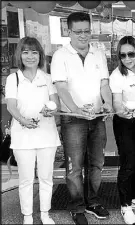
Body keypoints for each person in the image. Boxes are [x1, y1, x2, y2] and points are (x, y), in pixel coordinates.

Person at [50, 12, 112, 225]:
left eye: (87, 31)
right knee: (74, 166)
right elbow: (61, 88)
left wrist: (108, 103)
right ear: (69, 32)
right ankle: (77, 206)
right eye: (78, 32)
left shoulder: (98, 53)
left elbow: (104, 83)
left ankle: (93, 202)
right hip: (73, 119)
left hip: (96, 118)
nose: (83, 36)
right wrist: (76, 109)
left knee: (96, 163)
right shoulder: (60, 56)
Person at [5, 37, 61, 224]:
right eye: (26, 52)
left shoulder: (46, 78)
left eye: (34, 52)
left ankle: (45, 213)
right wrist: (22, 120)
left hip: (46, 135)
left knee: (46, 177)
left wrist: (50, 110)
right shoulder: (13, 79)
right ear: (20, 55)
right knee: (26, 179)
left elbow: (56, 103)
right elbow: (11, 106)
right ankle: (27, 215)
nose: (30, 56)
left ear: (40, 55)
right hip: (23, 137)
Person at [109, 36, 135, 224]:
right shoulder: (116, 76)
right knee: (128, 163)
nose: (127, 58)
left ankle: (134, 197)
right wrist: (121, 110)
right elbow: (116, 102)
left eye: (131, 54)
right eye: (123, 55)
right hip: (125, 122)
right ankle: (125, 205)